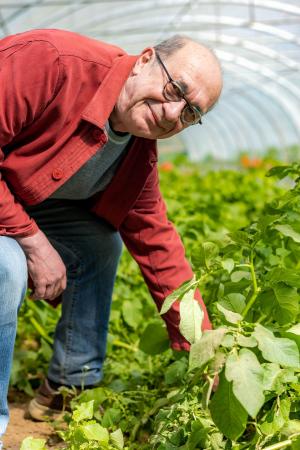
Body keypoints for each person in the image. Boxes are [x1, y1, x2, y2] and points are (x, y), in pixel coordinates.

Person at [0, 28, 222, 441]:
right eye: (176, 90)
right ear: (143, 60)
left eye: (191, 113)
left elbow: (159, 247)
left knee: (98, 244)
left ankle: (70, 385)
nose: (174, 113)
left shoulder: (137, 154)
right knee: (6, 266)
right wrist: (31, 241)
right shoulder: (51, 63)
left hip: (16, 193)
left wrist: (203, 348)